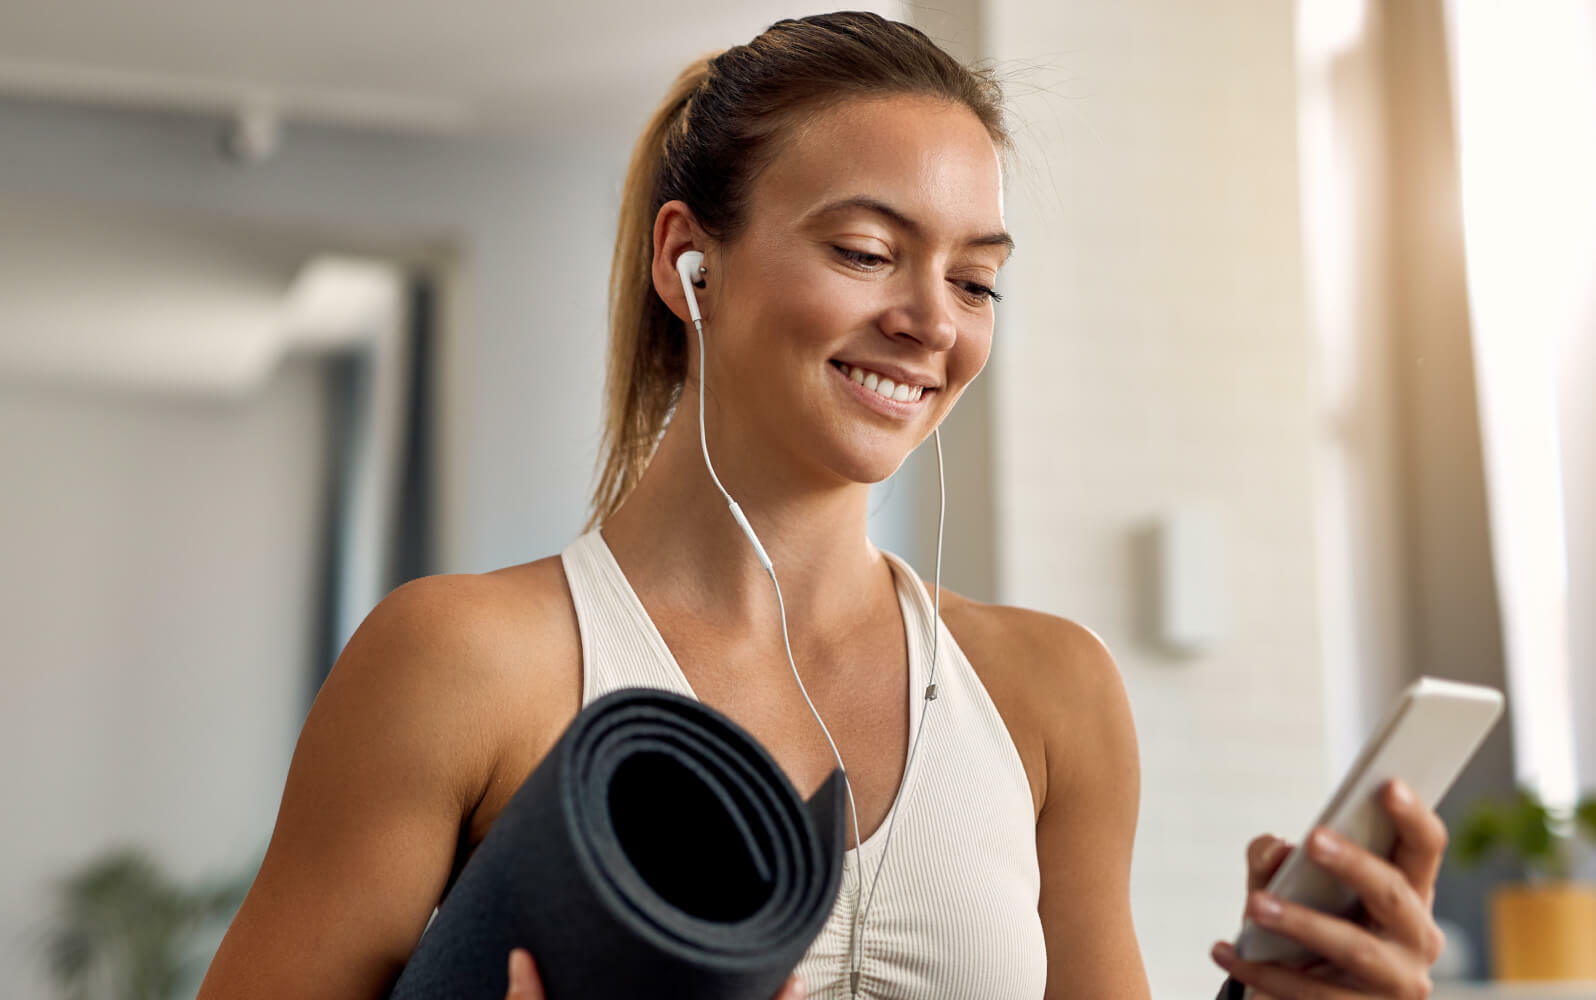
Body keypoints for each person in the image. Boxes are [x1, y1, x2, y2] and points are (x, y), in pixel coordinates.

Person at [197, 12, 1451, 1000]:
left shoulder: (1051, 695)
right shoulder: (463, 662)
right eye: (865, 251)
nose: (931, 322)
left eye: (975, 280)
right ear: (688, 260)